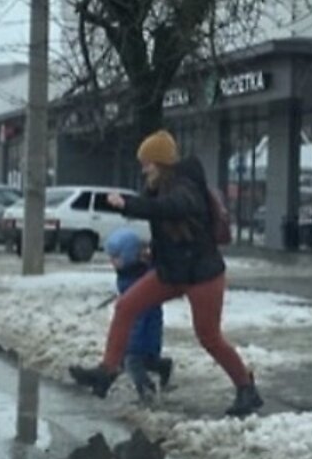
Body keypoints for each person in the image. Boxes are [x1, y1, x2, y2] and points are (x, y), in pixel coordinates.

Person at [70, 130, 261, 418]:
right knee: (125, 307)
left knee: (209, 336)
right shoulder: (158, 186)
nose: (143, 168)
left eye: (147, 162)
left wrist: (130, 204)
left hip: (202, 275)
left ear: (161, 163)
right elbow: (167, 226)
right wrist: (153, 251)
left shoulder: (186, 186)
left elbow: (171, 210)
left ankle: (246, 388)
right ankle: (107, 372)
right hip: (172, 271)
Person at [105, 226, 174, 402]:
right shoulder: (128, 275)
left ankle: (146, 391)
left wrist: (130, 342)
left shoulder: (139, 279)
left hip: (144, 333)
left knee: (133, 362)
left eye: (116, 257)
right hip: (142, 332)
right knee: (144, 362)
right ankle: (163, 366)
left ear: (128, 256)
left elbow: (140, 316)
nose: (112, 262)